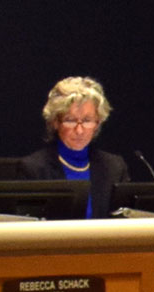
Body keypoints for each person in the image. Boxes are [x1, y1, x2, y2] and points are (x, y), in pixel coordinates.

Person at [20, 76, 130, 219]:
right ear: (55, 122)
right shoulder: (34, 169)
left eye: (87, 120)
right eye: (70, 120)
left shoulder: (114, 167)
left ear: (97, 123)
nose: (79, 130)